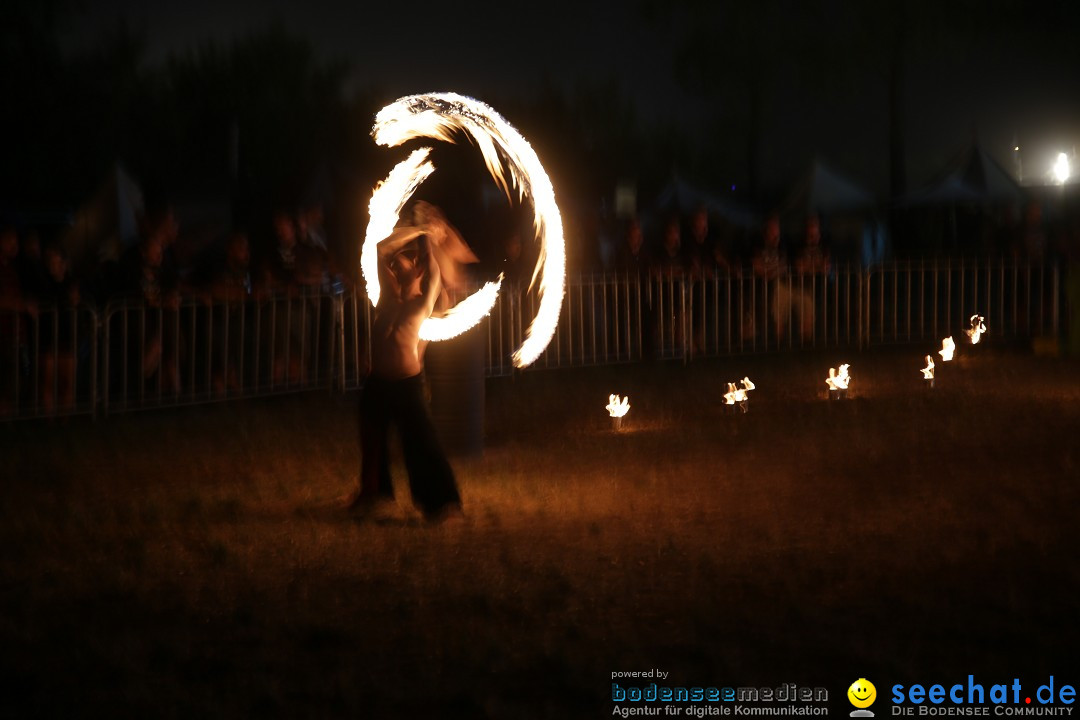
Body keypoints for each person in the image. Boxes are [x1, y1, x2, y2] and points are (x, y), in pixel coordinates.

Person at [348, 202, 465, 523]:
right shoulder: (388, 297)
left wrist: (428, 236)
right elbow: (381, 248)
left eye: (406, 261)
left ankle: (443, 505)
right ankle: (374, 494)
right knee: (372, 441)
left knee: (421, 444)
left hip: (406, 386)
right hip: (378, 383)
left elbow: (434, 267)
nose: (397, 263)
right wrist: (417, 229)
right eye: (397, 263)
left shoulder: (421, 304)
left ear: (419, 270)